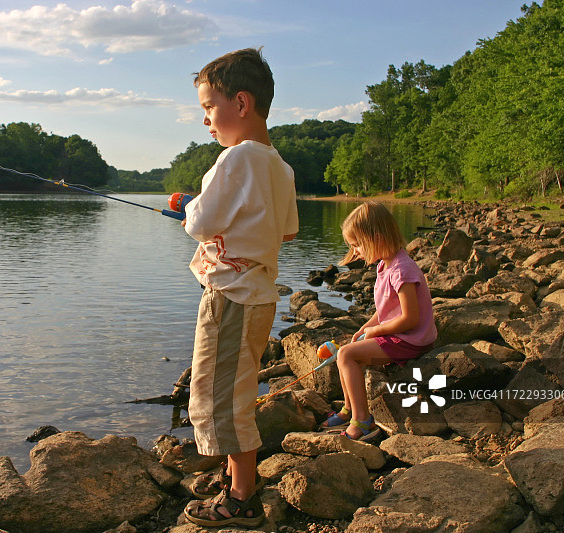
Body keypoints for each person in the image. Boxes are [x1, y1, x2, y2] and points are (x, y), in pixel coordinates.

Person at [179, 47, 298, 528]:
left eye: (209, 107)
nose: (206, 120)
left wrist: (189, 206)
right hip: (260, 296)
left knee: (215, 396)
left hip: (231, 297)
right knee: (236, 388)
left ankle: (243, 499)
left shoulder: (235, 158)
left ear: (241, 104)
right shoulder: (279, 165)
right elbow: (287, 231)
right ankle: (236, 481)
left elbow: (199, 224)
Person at [320, 201, 437, 441]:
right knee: (346, 351)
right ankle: (348, 407)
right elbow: (388, 309)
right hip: (399, 335)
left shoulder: (402, 270)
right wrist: (367, 326)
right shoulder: (386, 264)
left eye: (357, 245)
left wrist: (377, 330)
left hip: (411, 340)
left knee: (347, 356)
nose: (356, 252)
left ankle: (362, 421)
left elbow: (410, 318)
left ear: (376, 237)